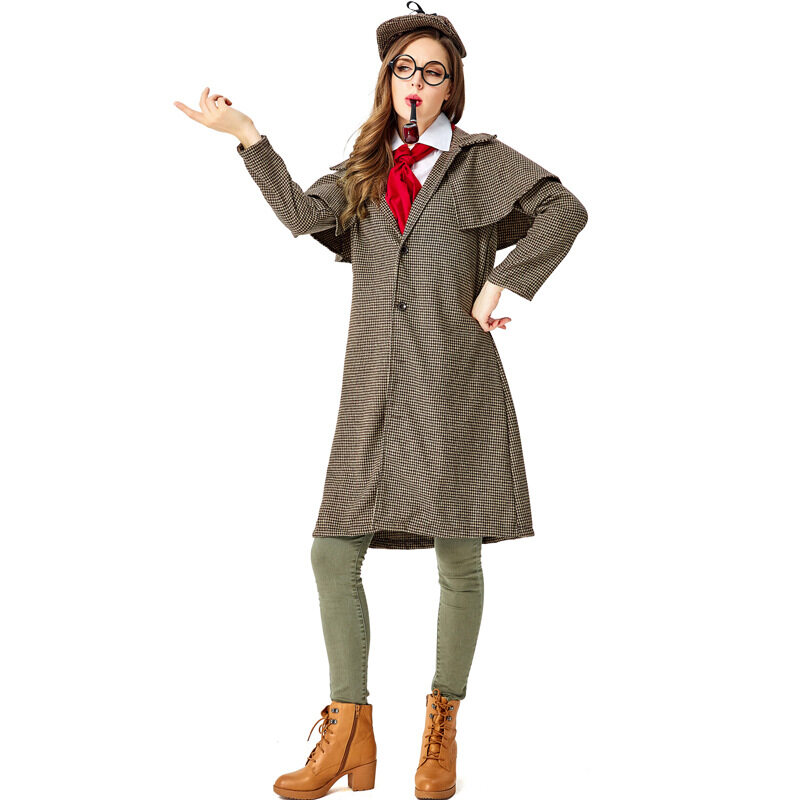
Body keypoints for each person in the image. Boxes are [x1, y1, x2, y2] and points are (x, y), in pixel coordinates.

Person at [175, 4, 587, 798]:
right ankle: (350, 731)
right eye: (405, 69)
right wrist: (249, 137)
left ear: (450, 87)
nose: (418, 83)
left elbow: (564, 211)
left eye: (434, 72)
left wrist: (503, 281)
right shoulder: (365, 166)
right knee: (333, 552)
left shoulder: (479, 162)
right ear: (388, 80)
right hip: (372, 382)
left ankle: (440, 734)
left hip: (453, 381)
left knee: (458, 558)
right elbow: (304, 215)